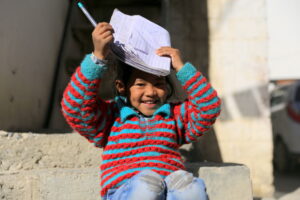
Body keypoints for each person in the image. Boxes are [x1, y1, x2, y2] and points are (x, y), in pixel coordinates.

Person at [61, 22, 221, 200]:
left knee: (189, 186)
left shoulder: (174, 117)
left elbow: (209, 107)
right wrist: (98, 57)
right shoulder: (111, 117)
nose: (151, 92)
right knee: (147, 185)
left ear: (167, 88)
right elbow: (75, 107)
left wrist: (181, 68)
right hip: (127, 190)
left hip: (170, 188)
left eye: (159, 84)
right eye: (140, 84)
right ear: (121, 87)